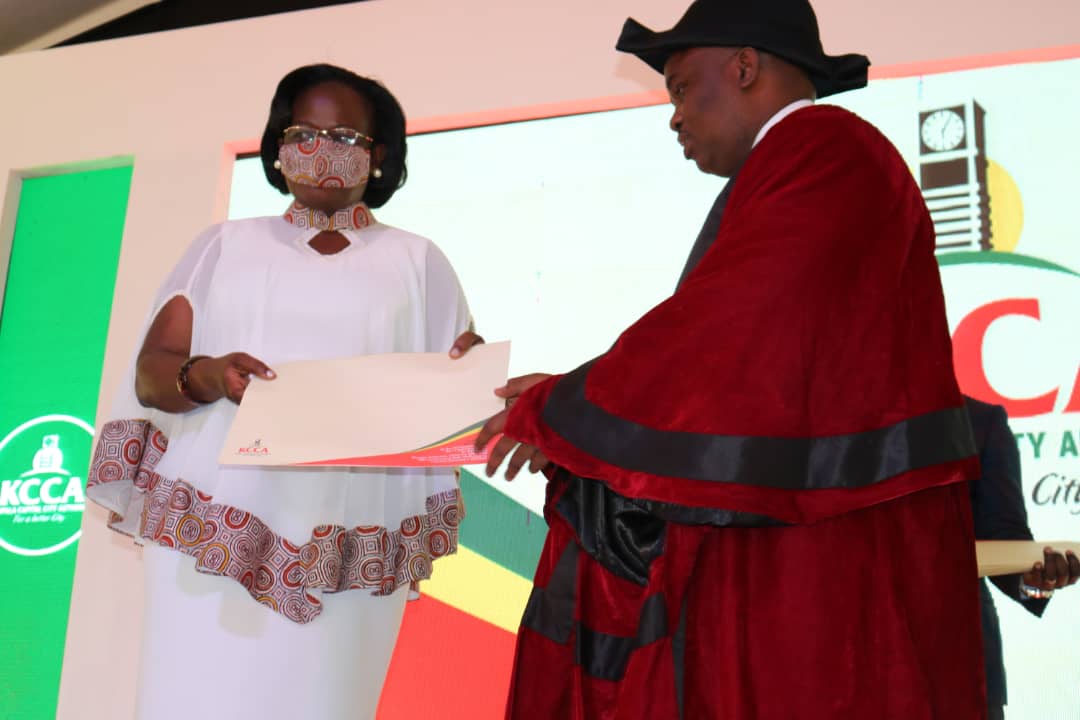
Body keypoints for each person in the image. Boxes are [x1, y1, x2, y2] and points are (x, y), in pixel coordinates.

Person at [470, 1, 987, 717]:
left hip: (825, 554)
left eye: (681, 87)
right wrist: (572, 403)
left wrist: (561, 407)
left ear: (744, 67)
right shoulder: (799, 164)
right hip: (806, 529)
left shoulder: (826, 147)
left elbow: (728, 337)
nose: (673, 117)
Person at [86, 64, 472, 720]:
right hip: (214, 530)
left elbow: (458, 381)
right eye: (304, 132)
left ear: (378, 157)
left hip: (351, 544)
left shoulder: (419, 261)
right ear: (277, 145)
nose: (322, 149)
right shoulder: (224, 245)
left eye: (345, 136)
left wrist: (469, 381)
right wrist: (208, 375)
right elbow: (154, 373)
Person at [965, 395, 1080, 719]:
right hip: (844, 657)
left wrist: (1037, 584)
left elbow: (1005, 538)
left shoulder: (978, 420)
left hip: (961, 664)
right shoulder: (827, 421)